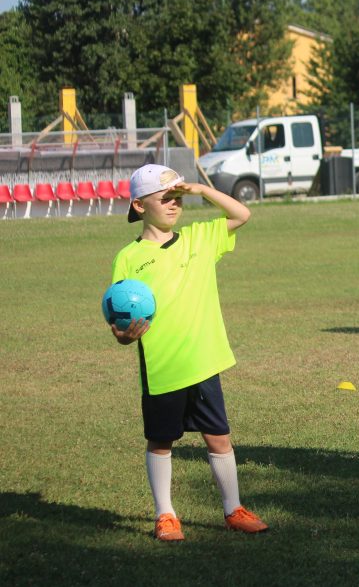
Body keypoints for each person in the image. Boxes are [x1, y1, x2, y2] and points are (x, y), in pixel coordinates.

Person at [110, 164, 269, 541]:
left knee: (219, 437)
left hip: (204, 360)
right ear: (138, 205)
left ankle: (234, 509)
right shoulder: (128, 258)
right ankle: (166, 515)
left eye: (177, 197)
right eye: (164, 198)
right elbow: (120, 317)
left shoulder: (200, 237)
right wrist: (123, 335)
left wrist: (202, 190)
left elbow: (242, 214)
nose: (173, 204)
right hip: (163, 364)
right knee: (161, 440)